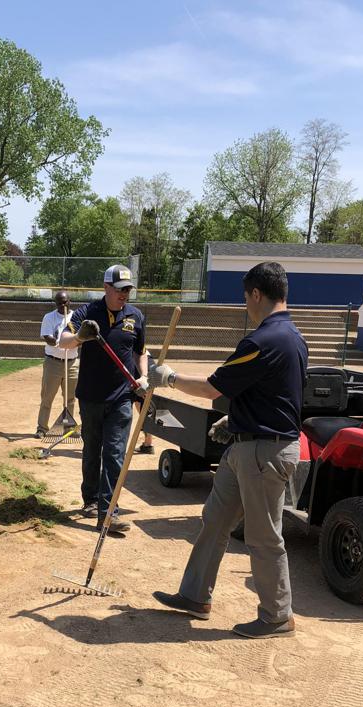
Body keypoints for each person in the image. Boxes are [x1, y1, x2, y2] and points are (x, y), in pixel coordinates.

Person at [150, 261, 308, 638]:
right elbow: (275, 393)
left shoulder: (262, 340)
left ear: (256, 294)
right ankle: (194, 596)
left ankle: (277, 615)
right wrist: (236, 419)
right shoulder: (294, 338)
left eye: (246, 298)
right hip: (249, 445)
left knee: (263, 537)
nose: (246, 305)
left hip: (263, 453)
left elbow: (212, 388)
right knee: (215, 520)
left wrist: (169, 378)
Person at [59, 264, 148, 535]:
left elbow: (140, 351)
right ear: (106, 288)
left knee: (114, 454)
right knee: (92, 451)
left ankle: (108, 513)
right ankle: (91, 499)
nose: (124, 295)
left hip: (122, 397)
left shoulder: (136, 316)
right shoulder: (88, 313)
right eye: (120, 290)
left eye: (128, 290)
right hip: (91, 397)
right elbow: (63, 341)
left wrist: (143, 377)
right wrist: (79, 337)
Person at [36, 290, 78, 438]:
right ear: (55, 303)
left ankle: (69, 428)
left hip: (72, 363)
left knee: (70, 398)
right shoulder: (49, 317)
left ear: (70, 301)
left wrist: (72, 342)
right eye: (59, 302)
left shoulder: (76, 317)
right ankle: (42, 428)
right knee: (47, 397)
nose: (63, 304)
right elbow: (48, 338)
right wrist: (64, 343)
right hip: (53, 363)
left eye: (65, 301)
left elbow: (80, 338)